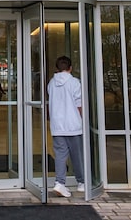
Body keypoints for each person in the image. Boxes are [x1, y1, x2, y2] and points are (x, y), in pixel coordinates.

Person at [47, 56, 85, 198]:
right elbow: (79, 104)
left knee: (60, 155)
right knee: (77, 155)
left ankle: (60, 183)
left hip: (57, 125)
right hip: (73, 124)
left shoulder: (51, 83)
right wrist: (81, 119)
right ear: (70, 68)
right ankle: (81, 182)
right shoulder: (75, 82)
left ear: (57, 68)